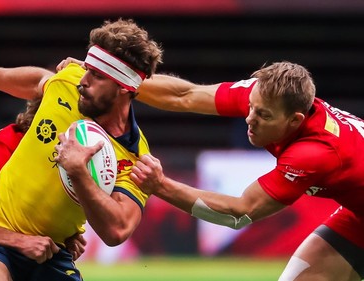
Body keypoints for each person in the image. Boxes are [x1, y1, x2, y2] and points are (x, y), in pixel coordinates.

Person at [129, 61, 364, 281]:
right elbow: (185, 95)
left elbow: (239, 212)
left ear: (295, 120)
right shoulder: (265, 96)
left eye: (263, 115)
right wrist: (120, 79)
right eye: (251, 107)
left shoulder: (314, 152)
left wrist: (160, 185)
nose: (250, 119)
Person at [0, 18, 162, 281]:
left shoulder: (135, 157)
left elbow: (117, 230)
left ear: (124, 88)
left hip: (52, 252)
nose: (83, 80)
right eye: (86, 68)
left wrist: (77, 172)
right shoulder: (69, 81)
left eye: (97, 75)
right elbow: (39, 82)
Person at [0, 97, 86, 264]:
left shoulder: (70, 165)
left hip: (44, 259)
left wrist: (64, 236)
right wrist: (18, 240)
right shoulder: (1, 145)